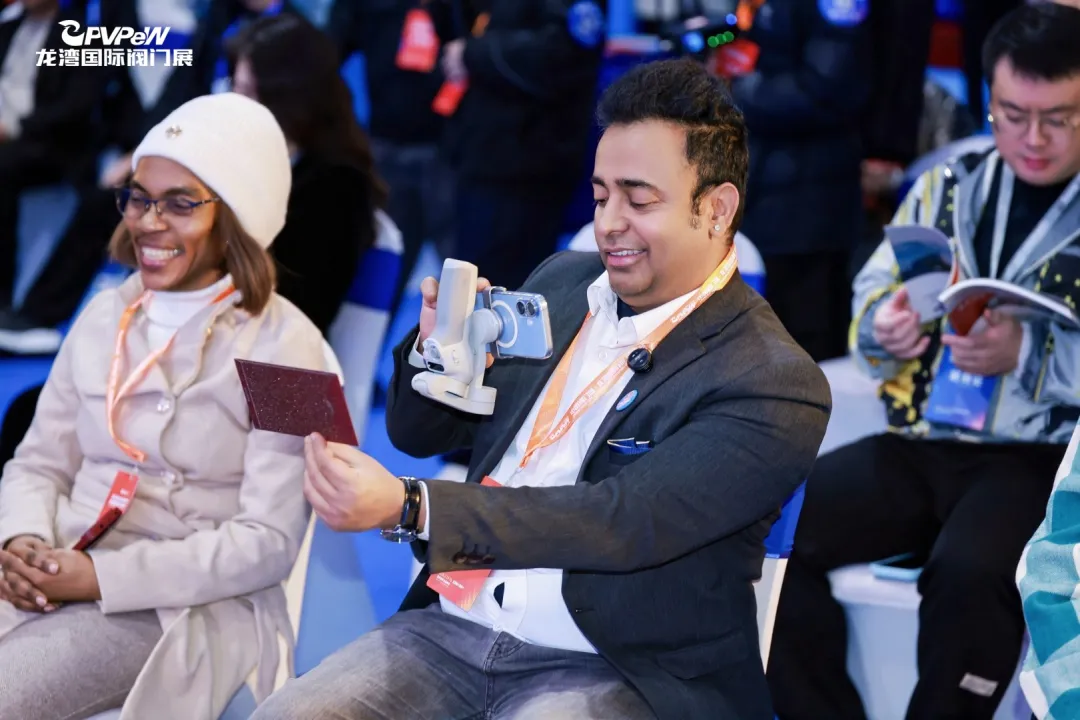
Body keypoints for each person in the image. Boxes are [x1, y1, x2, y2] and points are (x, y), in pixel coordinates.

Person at [252, 57, 831, 720]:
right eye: (600, 195)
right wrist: (438, 352)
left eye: (639, 200)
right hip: (452, 631)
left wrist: (412, 507)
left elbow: (622, 522)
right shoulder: (560, 283)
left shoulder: (773, 379)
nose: (609, 222)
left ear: (716, 209)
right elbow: (418, 433)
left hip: (621, 667)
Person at [767, 4, 1080, 719]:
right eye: (1012, 115)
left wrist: (1028, 352)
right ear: (989, 100)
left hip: (1041, 458)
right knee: (762, 527)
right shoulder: (952, 181)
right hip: (922, 439)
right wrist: (886, 327)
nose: (1033, 138)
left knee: (971, 573)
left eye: (1059, 119)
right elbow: (873, 292)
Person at [0, 92, 327, 720]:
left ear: (239, 214)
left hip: (183, 606)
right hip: (56, 564)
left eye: (180, 204)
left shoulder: (291, 347)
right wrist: (23, 540)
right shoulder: (105, 313)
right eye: (139, 197)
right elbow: (37, 462)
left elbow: (267, 542)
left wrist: (99, 578)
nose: (149, 222)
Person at [723, 0, 872, 362]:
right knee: (757, 347)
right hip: (765, 194)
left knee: (807, 350)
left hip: (812, 212)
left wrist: (735, 90)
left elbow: (828, 89)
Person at [229, 12, 388, 333]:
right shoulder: (239, 153)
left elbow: (303, 308)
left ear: (289, 100)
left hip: (270, 347)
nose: (234, 103)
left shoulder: (339, 186)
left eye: (249, 93)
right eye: (235, 86)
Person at [440, 0, 608, 292]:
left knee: (509, 291)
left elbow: (563, 55)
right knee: (468, 287)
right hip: (481, 155)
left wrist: (473, 53)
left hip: (528, 165)